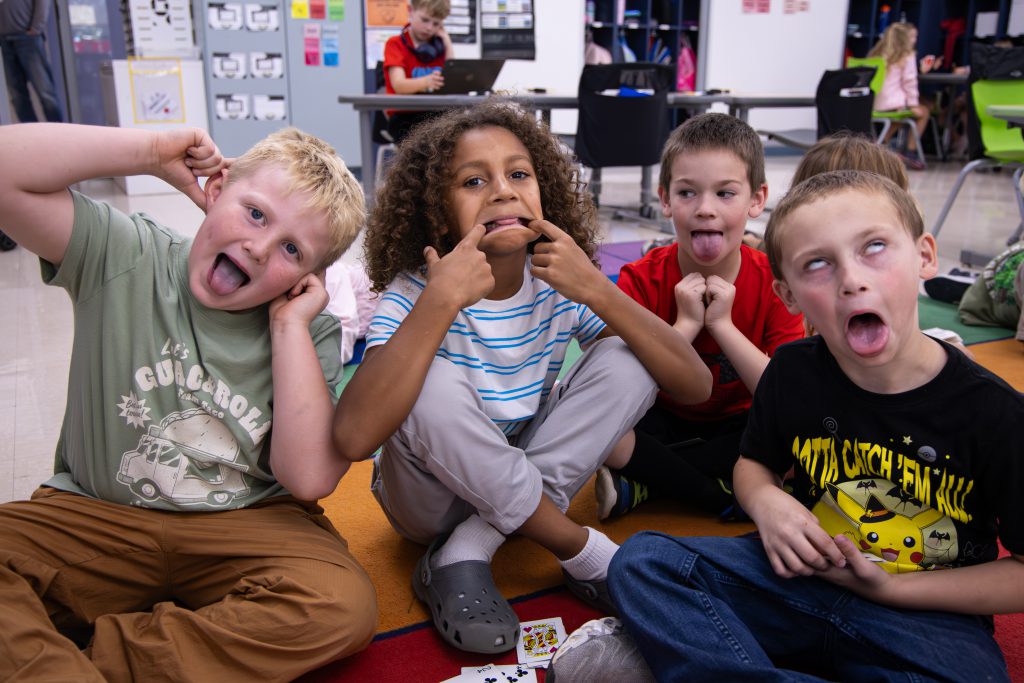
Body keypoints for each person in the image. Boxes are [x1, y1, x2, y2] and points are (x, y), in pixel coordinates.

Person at [592, 170, 1024, 681]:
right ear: (789, 294)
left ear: (924, 256)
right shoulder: (793, 371)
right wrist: (767, 502)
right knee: (643, 562)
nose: (850, 279)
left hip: (925, 616)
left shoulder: (997, 414)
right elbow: (755, 464)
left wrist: (892, 589)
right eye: (817, 264)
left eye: (875, 247)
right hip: (794, 581)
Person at [0, 123, 377, 681]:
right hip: (99, 514)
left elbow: (307, 480)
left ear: (309, 277)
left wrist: (289, 328)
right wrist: (151, 153)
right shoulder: (127, 253)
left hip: (249, 523)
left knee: (343, 606)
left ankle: (84, 664)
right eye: (256, 214)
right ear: (217, 186)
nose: (259, 246)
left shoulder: (307, 329)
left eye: (292, 250)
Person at [332, 100, 712, 654]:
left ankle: (467, 548)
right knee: (424, 378)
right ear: (438, 212)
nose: (502, 191)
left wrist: (598, 290)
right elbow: (353, 437)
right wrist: (439, 303)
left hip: (517, 477)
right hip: (427, 503)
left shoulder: (558, 282)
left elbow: (692, 384)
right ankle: (579, 549)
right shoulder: (417, 291)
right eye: (473, 180)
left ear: (544, 193)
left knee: (631, 357)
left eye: (518, 174)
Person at [596, 112, 804, 521]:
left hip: (742, 425)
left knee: (799, 435)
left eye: (726, 193)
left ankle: (647, 483)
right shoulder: (639, 279)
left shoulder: (774, 283)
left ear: (757, 200)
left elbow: (783, 396)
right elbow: (619, 389)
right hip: (661, 418)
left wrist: (722, 327)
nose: (705, 209)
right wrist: (686, 326)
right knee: (604, 430)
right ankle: (720, 494)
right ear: (665, 199)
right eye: (688, 193)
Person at [382, 0, 455, 144]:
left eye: (436, 24)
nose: (429, 28)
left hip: (435, 113)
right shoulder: (395, 44)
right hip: (405, 116)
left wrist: (447, 41)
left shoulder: (439, 47)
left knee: (457, 135)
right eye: (425, 20)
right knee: (424, 148)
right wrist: (425, 82)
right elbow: (399, 85)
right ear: (410, 11)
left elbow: (452, 74)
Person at [868, 22, 932, 169]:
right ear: (904, 39)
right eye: (913, 36)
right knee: (923, 112)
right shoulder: (907, 56)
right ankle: (910, 151)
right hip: (893, 104)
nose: (915, 40)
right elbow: (909, 82)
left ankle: (881, 144)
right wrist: (913, 104)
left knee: (901, 117)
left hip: (874, 105)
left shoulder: (876, 54)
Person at [0, 0, 65, 124]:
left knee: (45, 92)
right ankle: (30, 135)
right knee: (17, 96)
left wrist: (36, 28)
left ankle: (59, 133)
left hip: (28, 38)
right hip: (4, 41)